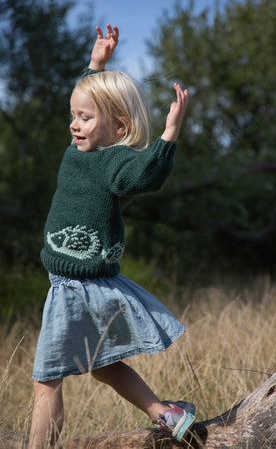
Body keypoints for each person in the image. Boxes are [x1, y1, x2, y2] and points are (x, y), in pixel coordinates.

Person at [29, 24, 194, 448]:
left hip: (76, 288)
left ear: (119, 127)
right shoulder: (78, 150)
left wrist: (169, 134)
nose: (74, 125)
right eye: (73, 116)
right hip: (70, 285)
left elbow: (148, 176)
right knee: (104, 365)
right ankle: (165, 414)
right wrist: (96, 65)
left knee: (45, 383)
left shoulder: (115, 163)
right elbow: (87, 99)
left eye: (85, 119)